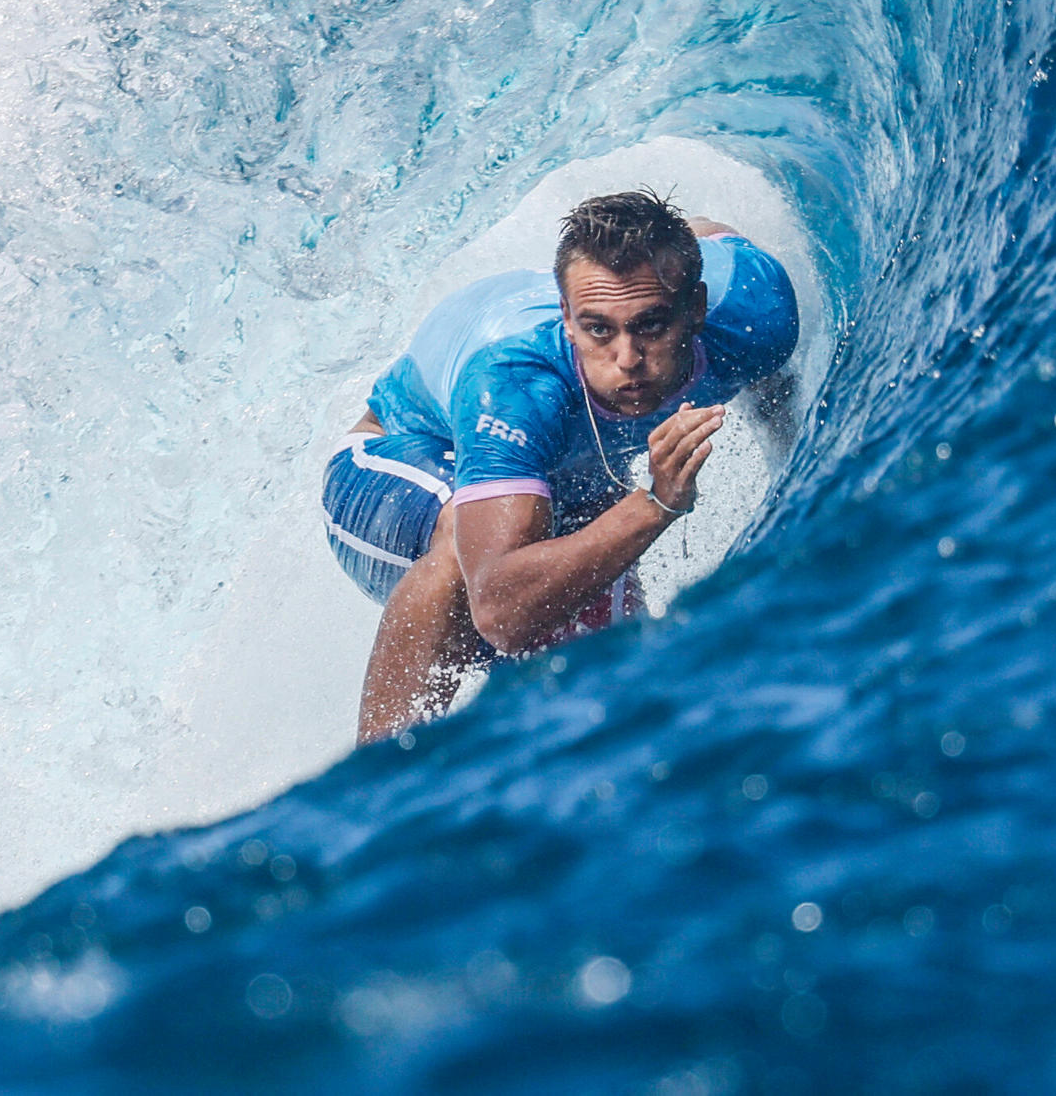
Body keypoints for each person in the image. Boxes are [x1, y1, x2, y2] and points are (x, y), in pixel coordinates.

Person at [322, 188, 800, 743]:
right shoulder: (516, 382)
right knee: (471, 547)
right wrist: (655, 503)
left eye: (650, 325)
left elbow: (713, 231)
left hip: (561, 484)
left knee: (608, 683)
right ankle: (382, 783)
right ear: (568, 320)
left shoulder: (752, 308)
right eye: (599, 329)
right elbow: (498, 611)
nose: (627, 359)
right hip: (391, 467)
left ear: (694, 308)